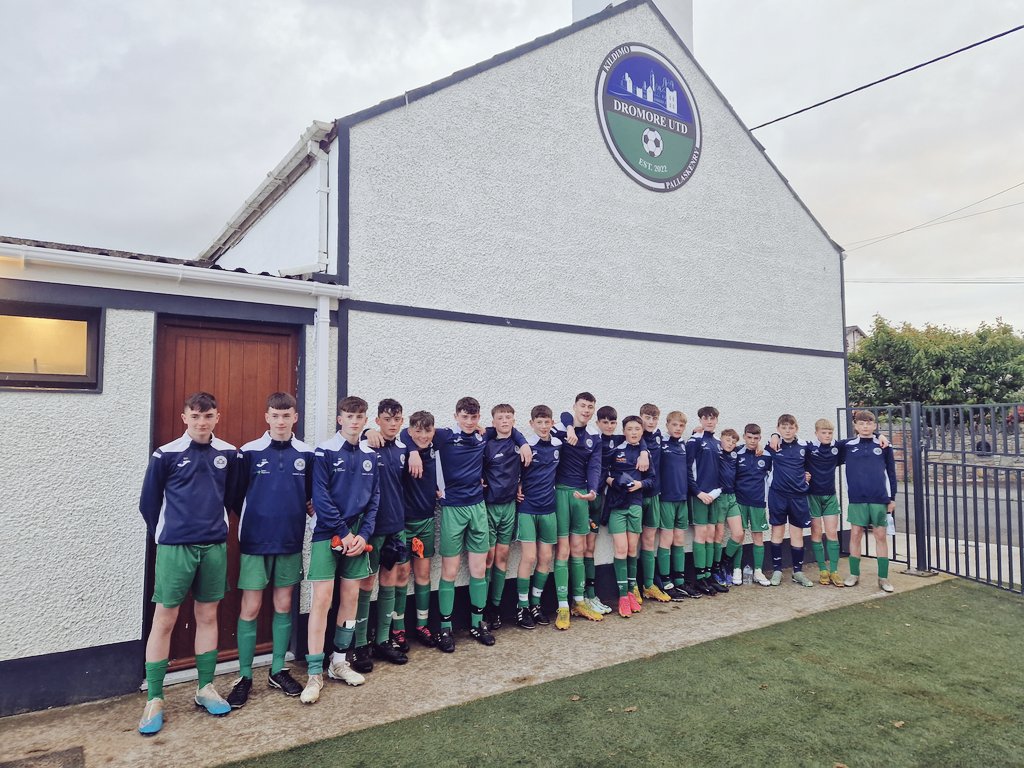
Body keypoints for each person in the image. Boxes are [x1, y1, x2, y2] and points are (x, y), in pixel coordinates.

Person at [137, 391, 241, 734]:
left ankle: (205, 687)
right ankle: (154, 698)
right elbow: (149, 505)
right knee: (164, 618)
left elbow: (232, 498)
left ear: (216, 417)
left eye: (207, 416)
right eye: (195, 416)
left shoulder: (228, 453)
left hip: (213, 547)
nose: (201, 422)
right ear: (185, 418)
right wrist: (172, 533)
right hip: (175, 549)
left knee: (208, 615)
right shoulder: (165, 454)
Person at [422, 397, 531, 652]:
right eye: (465, 417)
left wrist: (524, 442)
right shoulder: (445, 436)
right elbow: (412, 435)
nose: (470, 422)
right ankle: (446, 627)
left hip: (478, 507)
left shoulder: (484, 436)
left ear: (479, 417)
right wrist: (372, 433)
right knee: (449, 571)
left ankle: (477, 623)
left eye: (474, 417)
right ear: (456, 415)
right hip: (452, 509)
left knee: (479, 569)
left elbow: (508, 429)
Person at [226, 392, 313, 708]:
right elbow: (235, 497)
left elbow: (311, 498)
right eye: (275, 416)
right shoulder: (248, 452)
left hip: (289, 540)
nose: (280, 421)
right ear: (267, 417)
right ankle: (245, 675)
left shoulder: (307, 453)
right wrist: (259, 517)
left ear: (295, 417)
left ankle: (278, 669)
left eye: (286, 415)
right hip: (254, 541)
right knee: (249, 607)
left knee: (282, 604)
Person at [302, 396, 379, 704]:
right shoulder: (324, 451)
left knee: (350, 598)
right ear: (340, 418)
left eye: (360, 416)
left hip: (358, 539)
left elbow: (374, 500)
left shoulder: (371, 456)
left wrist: (363, 535)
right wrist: (343, 532)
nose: (355, 421)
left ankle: (339, 662)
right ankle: (313, 673)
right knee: (322, 599)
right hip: (328, 535)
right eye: (349, 416)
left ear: (364, 419)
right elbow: (319, 496)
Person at [357, 399, 412, 671]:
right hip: (370, 528)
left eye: (397, 419)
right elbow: (342, 432)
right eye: (387, 419)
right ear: (377, 420)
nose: (392, 424)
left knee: (389, 581)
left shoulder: (404, 447)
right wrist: (366, 431)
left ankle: (382, 639)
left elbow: (423, 444)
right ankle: (359, 644)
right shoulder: (365, 444)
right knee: (365, 585)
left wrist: (413, 452)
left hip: (395, 525)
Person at [551, 393, 604, 626]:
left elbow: (595, 467)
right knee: (562, 551)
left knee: (579, 549)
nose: (586, 410)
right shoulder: (560, 428)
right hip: (560, 493)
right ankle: (562, 606)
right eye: (582, 405)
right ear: (574, 406)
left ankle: (579, 601)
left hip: (581, 495)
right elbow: (560, 417)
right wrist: (569, 427)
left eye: (590, 407)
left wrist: (592, 491)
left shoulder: (595, 436)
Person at [514, 406, 561, 629]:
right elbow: (513, 474)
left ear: (552, 423)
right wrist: (517, 486)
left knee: (545, 558)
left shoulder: (558, 444)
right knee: (529, 557)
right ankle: (521, 607)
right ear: (531, 423)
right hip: (528, 509)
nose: (543, 427)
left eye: (547, 422)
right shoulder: (525, 446)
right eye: (539, 422)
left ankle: (535, 603)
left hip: (549, 509)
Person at [842, 410, 898, 592]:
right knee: (856, 534)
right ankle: (853, 574)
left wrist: (892, 498)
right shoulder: (847, 445)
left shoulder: (884, 445)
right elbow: (824, 450)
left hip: (879, 498)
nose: (865, 426)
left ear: (874, 426)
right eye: (861, 423)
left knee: (880, 535)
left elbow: (891, 473)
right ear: (856, 426)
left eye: (869, 423)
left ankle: (883, 578)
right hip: (857, 498)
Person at [605, 415, 655, 617]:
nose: (633, 432)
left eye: (637, 429)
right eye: (630, 429)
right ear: (623, 431)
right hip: (617, 505)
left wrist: (640, 484)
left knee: (633, 549)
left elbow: (652, 480)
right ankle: (622, 597)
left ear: (642, 432)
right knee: (621, 549)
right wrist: (615, 482)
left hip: (636, 505)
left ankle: (632, 592)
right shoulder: (615, 449)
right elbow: (602, 474)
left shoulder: (646, 453)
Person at [398, 411, 440, 648]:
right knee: (402, 575)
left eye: (428, 430)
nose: (423, 435)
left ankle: (422, 625)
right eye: (418, 431)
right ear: (411, 431)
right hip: (402, 523)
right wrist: (411, 450)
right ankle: (398, 629)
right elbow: (399, 432)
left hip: (425, 521)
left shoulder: (436, 447)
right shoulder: (403, 447)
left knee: (423, 575)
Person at [482, 404, 523, 629]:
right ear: (494, 421)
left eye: (508, 417)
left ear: (514, 420)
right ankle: (483, 604)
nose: (505, 421)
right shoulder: (487, 445)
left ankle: (495, 606)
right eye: (500, 418)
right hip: (490, 506)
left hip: (509, 506)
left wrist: (521, 484)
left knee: (503, 556)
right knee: (487, 557)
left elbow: (527, 470)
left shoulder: (519, 444)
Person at [764, 414, 814, 587]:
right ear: (778, 428)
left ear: (796, 429)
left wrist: (807, 477)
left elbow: (811, 466)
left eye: (791, 427)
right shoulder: (772, 446)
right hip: (778, 495)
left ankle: (797, 572)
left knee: (797, 534)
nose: (787, 430)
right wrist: (773, 436)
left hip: (798, 497)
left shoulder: (805, 446)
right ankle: (777, 570)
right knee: (777, 532)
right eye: (783, 428)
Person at [658, 411, 700, 599]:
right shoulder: (661, 442)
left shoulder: (684, 445)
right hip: (666, 498)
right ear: (667, 425)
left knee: (679, 540)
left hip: (682, 498)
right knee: (666, 539)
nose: (677, 428)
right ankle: (666, 581)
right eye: (674, 425)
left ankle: (680, 581)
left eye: (681, 426)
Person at [687, 406, 725, 595]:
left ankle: (709, 575)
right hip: (700, 496)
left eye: (713, 418)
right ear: (700, 420)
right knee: (701, 535)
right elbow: (687, 470)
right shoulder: (694, 441)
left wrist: (718, 491)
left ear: (717, 420)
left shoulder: (718, 442)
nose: (709, 421)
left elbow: (725, 470)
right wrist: (698, 493)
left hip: (715, 495)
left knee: (711, 534)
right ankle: (699, 578)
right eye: (705, 418)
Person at [806, 418, 846, 587]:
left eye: (830, 432)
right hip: (812, 496)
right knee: (817, 532)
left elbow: (857, 439)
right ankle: (823, 570)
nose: (827, 435)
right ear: (816, 433)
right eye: (824, 432)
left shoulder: (838, 447)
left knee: (831, 533)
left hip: (830, 496)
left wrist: (878, 436)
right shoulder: (808, 447)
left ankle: (834, 571)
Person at [639, 403, 671, 603]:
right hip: (637, 496)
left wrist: (697, 430)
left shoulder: (659, 435)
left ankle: (649, 584)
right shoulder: (634, 434)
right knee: (632, 542)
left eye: (654, 418)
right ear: (640, 417)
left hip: (655, 495)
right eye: (647, 418)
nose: (650, 422)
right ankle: (632, 585)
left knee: (650, 540)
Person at [735, 424, 772, 586]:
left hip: (758, 502)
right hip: (739, 502)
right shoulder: (736, 453)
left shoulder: (766, 455)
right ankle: (736, 569)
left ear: (760, 438)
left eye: (756, 438)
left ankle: (758, 571)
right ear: (744, 437)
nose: (752, 441)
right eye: (749, 437)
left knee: (758, 536)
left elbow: (773, 477)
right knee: (739, 535)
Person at [715, 428, 745, 587]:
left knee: (739, 533)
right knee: (718, 535)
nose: (730, 444)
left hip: (732, 497)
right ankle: (715, 568)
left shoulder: (736, 453)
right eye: (727, 440)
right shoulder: (715, 450)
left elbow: (750, 446)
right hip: (719, 497)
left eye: (733, 442)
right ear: (721, 439)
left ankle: (724, 562)